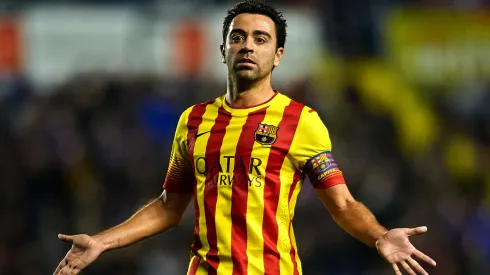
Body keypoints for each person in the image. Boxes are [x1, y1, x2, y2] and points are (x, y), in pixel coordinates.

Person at [53, 1, 437, 275]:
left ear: (278, 55)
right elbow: (170, 207)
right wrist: (103, 241)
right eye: (238, 37)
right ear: (224, 50)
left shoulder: (301, 121)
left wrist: (380, 236)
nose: (248, 45)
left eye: (260, 38)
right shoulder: (193, 120)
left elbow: (342, 204)